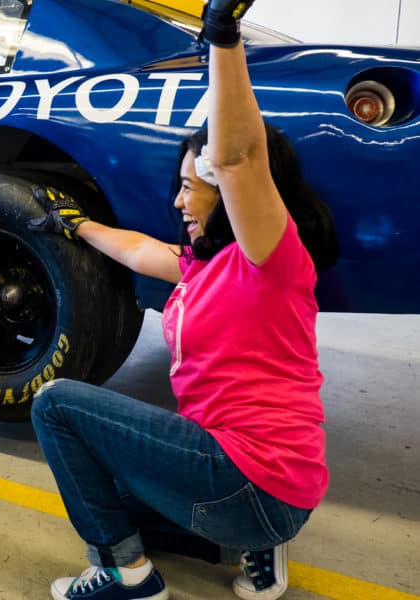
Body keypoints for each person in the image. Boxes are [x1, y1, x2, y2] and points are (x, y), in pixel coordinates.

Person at [27, 2, 339, 599]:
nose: (178, 201)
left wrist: (222, 37)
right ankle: (255, 545)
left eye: (191, 189)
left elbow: (238, 156)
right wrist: (75, 225)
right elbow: (141, 251)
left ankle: (129, 578)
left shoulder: (269, 259)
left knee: (57, 406)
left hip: (247, 477)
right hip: (273, 488)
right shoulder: (206, 267)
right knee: (111, 495)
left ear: (229, 194)